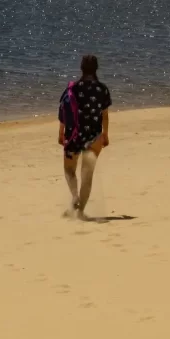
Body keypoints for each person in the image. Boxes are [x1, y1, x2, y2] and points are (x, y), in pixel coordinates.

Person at [58, 54, 111, 218]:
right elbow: (105, 115)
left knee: (69, 169)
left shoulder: (72, 88)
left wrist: (61, 133)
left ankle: (74, 197)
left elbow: (63, 113)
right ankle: (80, 212)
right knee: (87, 176)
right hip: (94, 136)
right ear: (96, 69)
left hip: (74, 135)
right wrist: (105, 135)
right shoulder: (102, 89)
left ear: (81, 68)